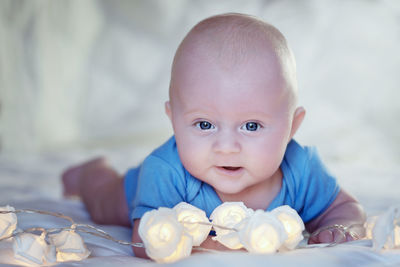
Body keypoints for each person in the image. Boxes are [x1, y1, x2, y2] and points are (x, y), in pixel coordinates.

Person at [62, 13, 366, 258]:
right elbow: (143, 241)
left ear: (292, 127)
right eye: (204, 125)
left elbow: (344, 208)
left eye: (251, 126)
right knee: (103, 202)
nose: (226, 147)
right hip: (132, 192)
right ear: (174, 121)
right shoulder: (166, 171)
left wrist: (340, 225)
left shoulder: (301, 168)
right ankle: (90, 172)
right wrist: (210, 245)